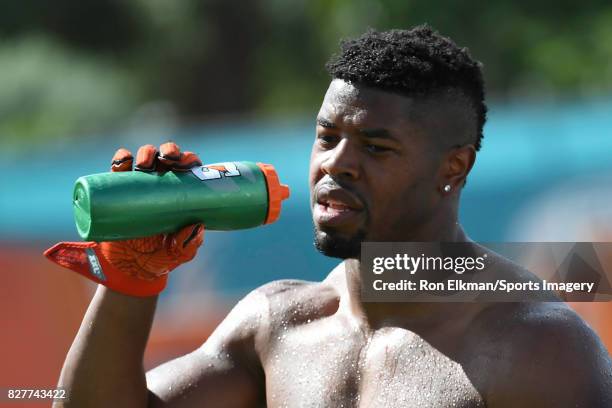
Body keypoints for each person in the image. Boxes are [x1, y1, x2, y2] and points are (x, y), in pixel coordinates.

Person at [48, 25, 612, 407]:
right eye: (327, 136)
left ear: (454, 167)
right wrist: (130, 281)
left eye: (376, 146)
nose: (336, 164)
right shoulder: (277, 323)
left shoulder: (534, 345)